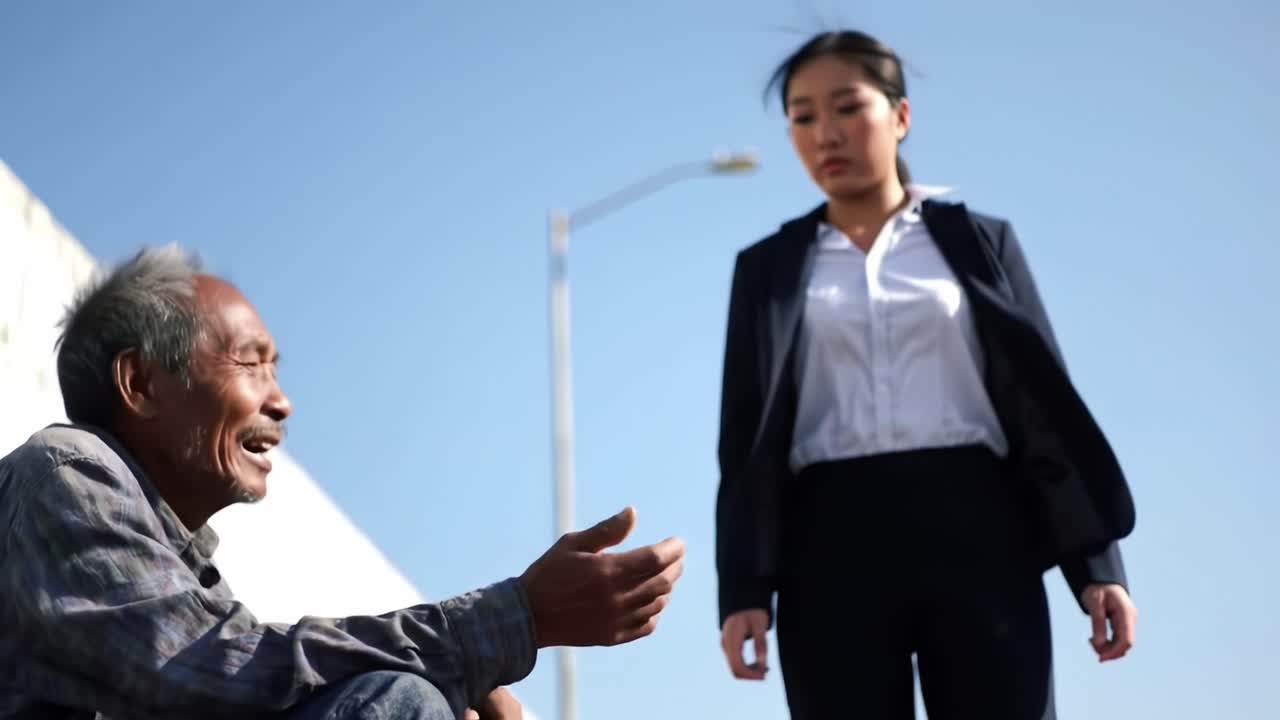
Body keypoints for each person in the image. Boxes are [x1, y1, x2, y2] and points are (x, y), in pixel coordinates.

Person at [0, 245, 685, 720]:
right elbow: (221, 675)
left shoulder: (180, 557)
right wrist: (515, 620)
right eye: (253, 364)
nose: (282, 401)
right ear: (142, 382)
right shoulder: (67, 473)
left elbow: (252, 670)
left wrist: (467, 676)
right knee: (396, 705)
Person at [714, 30, 1138, 718]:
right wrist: (742, 591)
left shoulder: (979, 241)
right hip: (829, 546)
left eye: (848, 107)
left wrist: (1096, 569)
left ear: (900, 116)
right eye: (803, 115)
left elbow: (1043, 408)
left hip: (980, 530)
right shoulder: (766, 268)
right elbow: (744, 441)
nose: (827, 133)